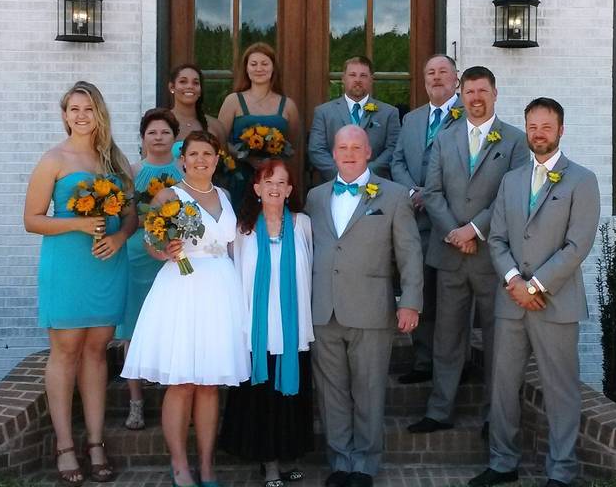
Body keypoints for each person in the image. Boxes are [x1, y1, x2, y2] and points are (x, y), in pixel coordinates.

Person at [469, 98, 600, 487]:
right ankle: (502, 463)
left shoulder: (582, 179)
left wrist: (536, 285)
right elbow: (497, 238)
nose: (538, 133)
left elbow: (578, 245)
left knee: (560, 390)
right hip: (511, 302)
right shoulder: (510, 181)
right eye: (532, 126)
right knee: (503, 387)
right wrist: (514, 281)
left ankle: (561, 471)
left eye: (546, 126)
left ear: (561, 130)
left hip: (554, 303)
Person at [121, 131, 249, 487]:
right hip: (182, 286)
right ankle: (179, 465)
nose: (200, 160)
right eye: (194, 154)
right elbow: (151, 241)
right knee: (183, 382)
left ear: (216, 159)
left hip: (220, 288)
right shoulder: (168, 195)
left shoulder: (224, 195)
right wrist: (163, 250)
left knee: (209, 385)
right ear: (183, 159)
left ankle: (207, 466)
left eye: (207, 154)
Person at [24, 81, 136, 485]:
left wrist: (120, 237)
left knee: (96, 351)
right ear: (64, 114)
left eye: (88, 108)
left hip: (107, 262)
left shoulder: (115, 159)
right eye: (74, 109)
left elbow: (130, 214)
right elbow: (32, 219)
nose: (81, 115)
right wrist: (77, 222)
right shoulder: (54, 159)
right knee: (66, 350)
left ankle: (95, 443)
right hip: (67, 265)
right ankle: (65, 446)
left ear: (99, 112)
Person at [409, 66, 529, 437]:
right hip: (449, 252)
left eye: (483, 91)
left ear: (495, 93)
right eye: (470, 91)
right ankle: (440, 409)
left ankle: (496, 416)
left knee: (497, 340)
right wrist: (455, 232)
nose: (476, 98)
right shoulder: (445, 139)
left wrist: (474, 229)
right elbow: (432, 192)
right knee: (447, 335)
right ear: (461, 95)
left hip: (493, 256)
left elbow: (512, 196)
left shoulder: (514, 141)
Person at [304, 125, 423, 487]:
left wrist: (411, 302)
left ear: (369, 152)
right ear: (334, 153)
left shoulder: (395, 195)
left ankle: (365, 466)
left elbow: (410, 253)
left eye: (357, 147)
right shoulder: (315, 197)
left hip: (372, 309)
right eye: (343, 147)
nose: (350, 153)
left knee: (369, 390)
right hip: (323, 309)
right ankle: (340, 462)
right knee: (331, 392)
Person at [218, 159, 314, 487]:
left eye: (281, 182)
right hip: (256, 331)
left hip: (292, 329)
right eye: (267, 182)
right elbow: (231, 274)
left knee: (288, 400)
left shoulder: (303, 225)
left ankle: (285, 457)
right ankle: (268, 463)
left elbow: (309, 270)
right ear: (257, 189)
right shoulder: (242, 230)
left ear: (289, 190)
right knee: (263, 401)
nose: (274, 188)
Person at [390, 53, 462, 385]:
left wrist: (431, 193)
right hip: (416, 218)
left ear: (456, 78)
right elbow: (397, 160)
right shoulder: (413, 120)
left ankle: (453, 364)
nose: (436, 77)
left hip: (450, 220)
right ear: (423, 80)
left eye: (443, 72)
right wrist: (411, 192)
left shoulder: (467, 117)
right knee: (418, 289)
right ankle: (422, 361)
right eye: (430, 72)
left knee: (450, 298)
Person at [115, 108, 184, 431]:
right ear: (142, 137)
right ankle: (136, 401)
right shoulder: (131, 171)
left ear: (175, 138)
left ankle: (175, 395)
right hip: (136, 254)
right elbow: (124, 216)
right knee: (133, 327)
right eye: (152, 133)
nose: (158, 138)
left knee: (172, 325)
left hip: (171, 255)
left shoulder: (183, 173)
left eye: (165, 133)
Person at [217, 43, 301, 210]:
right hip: (241, 177)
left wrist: (273, 160)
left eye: (264, 63)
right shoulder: (233, 101)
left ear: (273, 68)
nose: (259, 69)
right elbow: (220, 142)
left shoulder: (288, 105)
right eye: (253, 64)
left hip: (276, 182)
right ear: (246, 69)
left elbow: (293, 146)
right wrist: (246, 156)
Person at [307, 56, 400, 181]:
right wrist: (342, 174)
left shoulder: (389, 113)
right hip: (334, 184)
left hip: (376, 185)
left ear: (371, 80)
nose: (357, 80)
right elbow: (316, 150)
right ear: (343, 79)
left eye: (363, 75)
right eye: (352, 75)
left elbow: (393, 149)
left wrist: (366, 174)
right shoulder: (323, 112)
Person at [168, 63, 228, 157]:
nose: (190, 86)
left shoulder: (216, 126)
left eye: (195, 83)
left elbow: (226, 165)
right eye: (183, 81)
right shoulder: (160, 124)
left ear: (200, 90)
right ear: (172, 87)